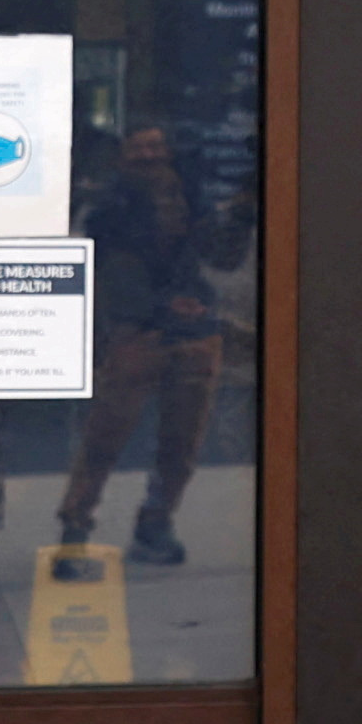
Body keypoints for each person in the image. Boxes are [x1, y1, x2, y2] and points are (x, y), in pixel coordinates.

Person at [54, 122, 237, 565]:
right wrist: (163, 307)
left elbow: (224, 257)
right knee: (103, 441)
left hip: (191, 334)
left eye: (156, 145)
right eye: (139, 148)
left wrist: (241, 217)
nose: (150, 156)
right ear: (123, 156)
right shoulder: (111, 207)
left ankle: (156, 522)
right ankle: (75, 532)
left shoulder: (192, 196)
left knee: (182, 445)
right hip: (136, 334)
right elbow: (111, 273)